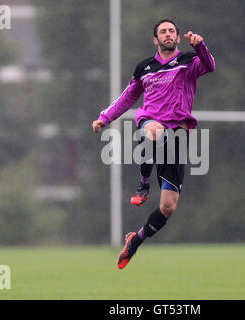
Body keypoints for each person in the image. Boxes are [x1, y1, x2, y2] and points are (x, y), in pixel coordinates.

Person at [92, 18, 215, 269]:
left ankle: (134, 241)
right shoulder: (144, 68)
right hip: (150, 122)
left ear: (178, 37)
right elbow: (127, 98)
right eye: (163, 31)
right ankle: (143, 184)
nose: (168, 34)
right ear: (155, 39)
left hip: (178, 136)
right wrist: (104, 118)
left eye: (172, 31)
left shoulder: (188, 61)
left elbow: (209, 66)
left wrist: (201, 46)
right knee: (154, 130)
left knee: (168, 207)